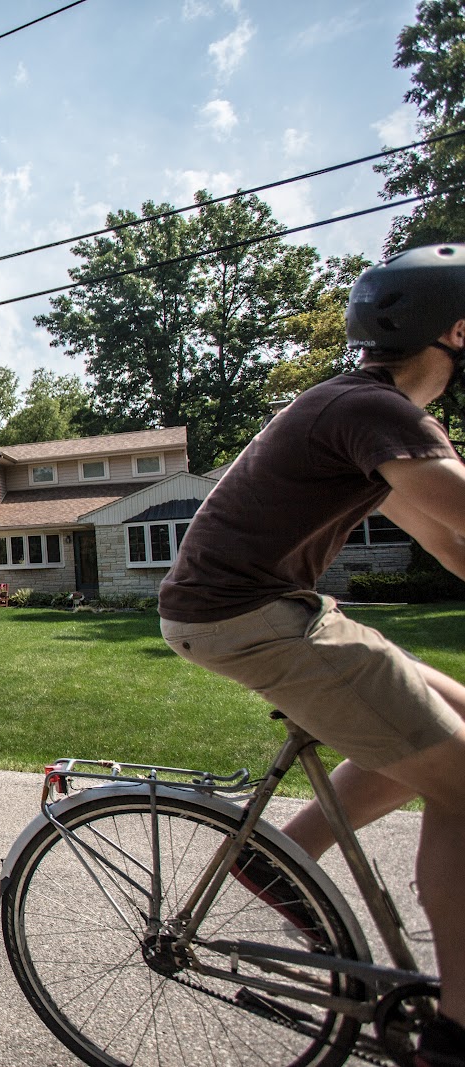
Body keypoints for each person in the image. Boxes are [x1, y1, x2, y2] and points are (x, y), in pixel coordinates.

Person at [160, 243, 465, 1067]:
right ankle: (456, 1030)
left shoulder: (363, 413)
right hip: (247, 616)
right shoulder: (379, 412)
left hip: (265, 608)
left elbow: (444, 534)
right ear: (458, 331)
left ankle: (281, 854)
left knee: (453, 724)